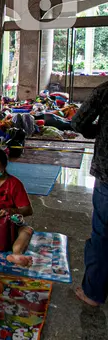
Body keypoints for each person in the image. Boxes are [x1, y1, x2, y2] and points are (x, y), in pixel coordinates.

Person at [71, 80, 108, 306]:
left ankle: (93, 292)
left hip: (107, 172)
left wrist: (100, 130)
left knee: (103, 234)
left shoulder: (105, 91)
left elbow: (78, 123)